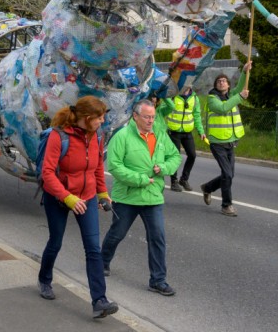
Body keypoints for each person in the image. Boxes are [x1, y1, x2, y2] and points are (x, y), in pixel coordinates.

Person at [37, 95, 119, 319]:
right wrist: (67, 197)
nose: (102, 121)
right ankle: (44, 279)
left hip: (88, 196)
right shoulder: (59, 136)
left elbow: (96, 168)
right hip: (59, 197)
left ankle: (99, 300)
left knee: (93, 248)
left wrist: (102, 193)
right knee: (55, 242)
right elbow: (47, 174)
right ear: (86, 117)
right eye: (99, 118)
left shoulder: (97, 136)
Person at [100, 99, 181, 296]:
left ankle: (158, 280)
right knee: (117, 233)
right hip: (127, 197)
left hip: (153, 197)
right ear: (135, 116)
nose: (151, 121)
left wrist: (164, 168)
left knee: (157, 238)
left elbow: (175, 157)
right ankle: (102, 262)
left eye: (152, 117)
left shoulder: (160, 134)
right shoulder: (122, 136)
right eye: (147, 117)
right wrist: (140, 179)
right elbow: (114, 166)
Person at [200, 62, 251, 217]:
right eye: (219, 81)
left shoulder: (231, 95)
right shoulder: (212, 98)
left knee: (229, 174)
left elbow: (241, 85)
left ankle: (208, 187)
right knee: (227, 174)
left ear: (228, 85)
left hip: (231, 141)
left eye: (224, 81)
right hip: (217, 142)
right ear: (216, 85)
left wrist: (244, 71)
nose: (221, 82)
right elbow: (223, 108)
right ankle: (226, 205)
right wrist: (240, 97)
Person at [157, 83, 204, 192]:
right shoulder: (173, 96)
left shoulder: (194, 98)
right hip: (174, 131)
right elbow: (163, 109)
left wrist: (201, 131)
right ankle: (174, 181)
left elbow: (196, 115)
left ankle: (184, 179)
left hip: (187, 132)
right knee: (175, 157)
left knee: (192, 155)